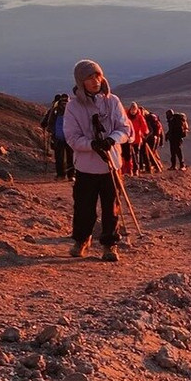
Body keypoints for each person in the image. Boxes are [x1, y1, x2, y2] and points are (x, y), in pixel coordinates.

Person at [62, 60, 132, 262]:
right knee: (84, 207)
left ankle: (109, 245)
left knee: (111, 207)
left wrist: (112, 139)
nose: (95, 81)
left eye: (97, 76)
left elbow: (125, 129)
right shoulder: (73, 107)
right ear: (80, 81)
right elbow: (72, 137)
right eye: (90, 78)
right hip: (86, 167)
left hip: (111, 165)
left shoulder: (113, 101)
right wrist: (91, 144)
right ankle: (82, 240)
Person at [40, 94, 73, 180]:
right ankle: (71, 175)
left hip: (59, 137)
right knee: (70, 156)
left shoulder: (55, 109)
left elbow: (48, 121)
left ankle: (61, 175)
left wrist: (50, 130)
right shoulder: (72, 109)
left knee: (60, 157)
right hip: (69, 137)